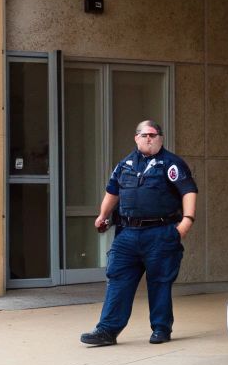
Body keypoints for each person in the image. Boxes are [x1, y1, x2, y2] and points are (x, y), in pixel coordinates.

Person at [80, 120, 198, 346]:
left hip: (160, 233)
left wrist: (186, 222)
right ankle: (107, 330)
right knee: (118, 281)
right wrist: (103, 215)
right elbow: (112, 192)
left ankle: (161, 329)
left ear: (161, 138)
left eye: (153, 135)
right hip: (127, 235)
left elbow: (188, 191)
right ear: (136, 138)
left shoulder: (171, 164)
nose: (149, 139)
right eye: (145, 135)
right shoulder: (125, 164)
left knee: (160, 282)